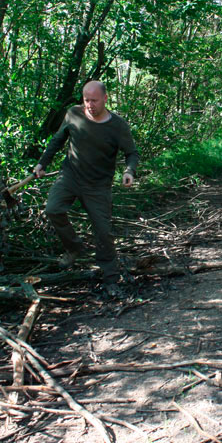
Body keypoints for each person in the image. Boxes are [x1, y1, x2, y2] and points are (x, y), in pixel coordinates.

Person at [33, 81, 139, 297]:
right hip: (70, 176)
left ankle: (110, 279)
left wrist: (129, 171)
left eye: (94, 100)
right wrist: (42, 163)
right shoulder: (74, 114)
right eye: (86, 100)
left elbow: (132, 153)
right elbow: (57, 140)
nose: (89, 104)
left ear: (106, 98)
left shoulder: (117, 125)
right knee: (53, 209)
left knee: (103, 232)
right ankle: (74, 248)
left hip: (98, 185)